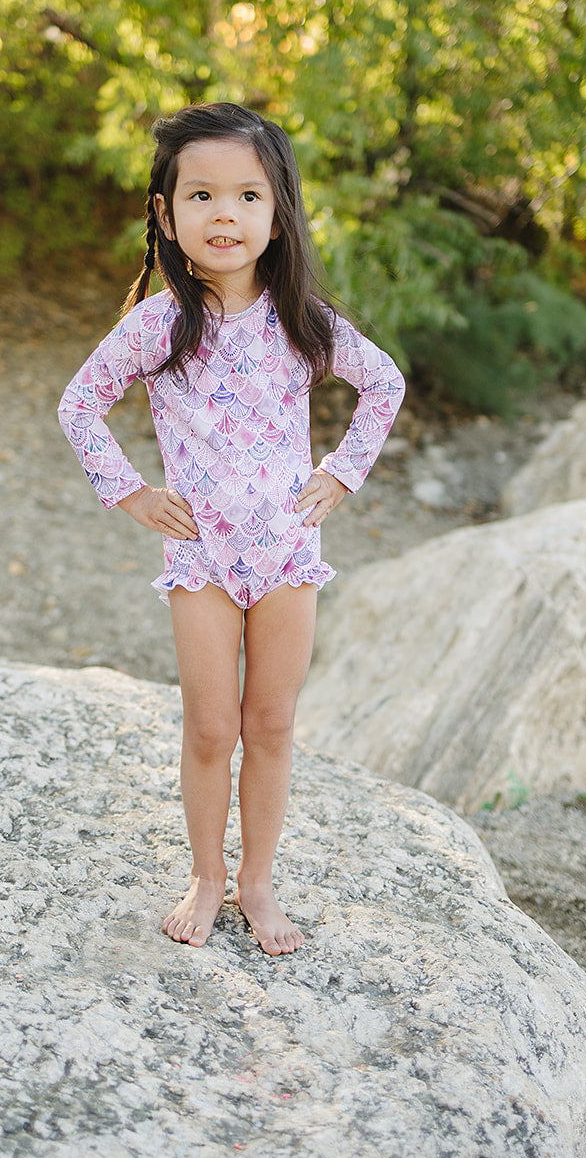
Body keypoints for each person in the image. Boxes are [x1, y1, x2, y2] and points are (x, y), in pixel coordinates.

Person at [58, 102, 404, 955]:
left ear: (278, 214)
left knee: (271, 725)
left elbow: (383, 384)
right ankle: (207, 876)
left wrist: (341, 472)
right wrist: (130, 493)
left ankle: (257, 882)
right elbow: (79, 405)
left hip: (287, 553)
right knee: (212, 728)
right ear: (166, 213)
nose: (225, 215)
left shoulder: (301, 320)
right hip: (201, 557)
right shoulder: (157, 325)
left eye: (248, 196)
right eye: (201, 195)